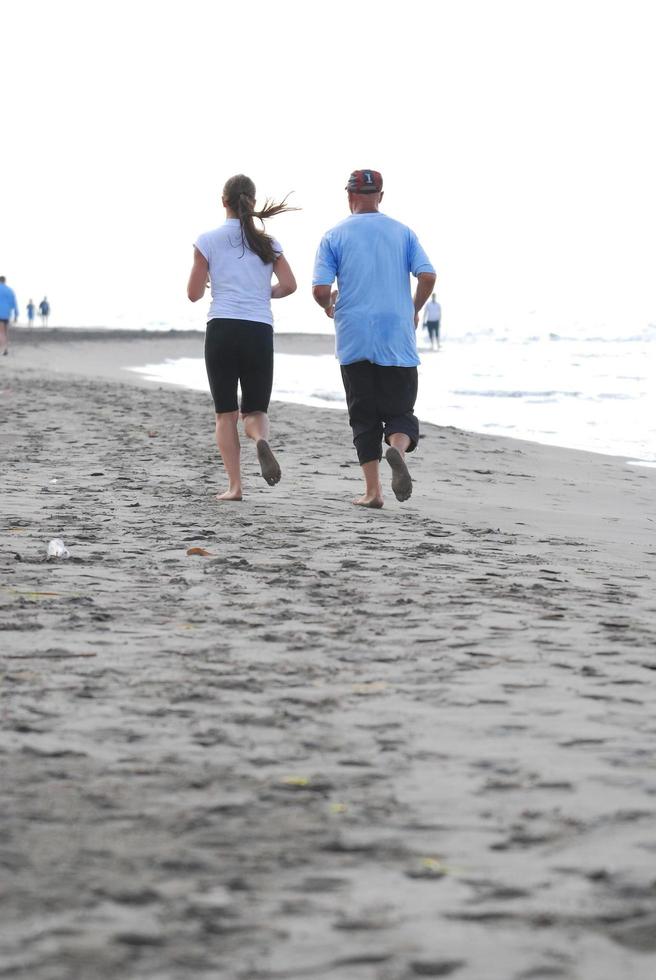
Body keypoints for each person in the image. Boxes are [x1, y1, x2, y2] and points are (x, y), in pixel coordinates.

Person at [312, 169, 436, 508]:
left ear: (349, 196)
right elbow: (427, 275)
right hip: (396, 333)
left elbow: (320, 290)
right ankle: (396, 449)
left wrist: (328, 304)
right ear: (380, 196)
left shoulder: (333, 235)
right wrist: (414, 308)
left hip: (354, 334)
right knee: (401, 410)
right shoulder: (403, 233)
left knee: (363, 416)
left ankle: (373, 492)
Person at [187, 174, 297, 501]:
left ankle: (235, 487)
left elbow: (193, 294)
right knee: (254, 412)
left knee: (225, 414)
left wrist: (211, 283)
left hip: (222, 328)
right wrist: (263, 293)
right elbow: (290, 285)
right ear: (252, 200)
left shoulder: (207, 241)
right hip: (258, 329)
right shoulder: (269, 243)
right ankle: (260, 440)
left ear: (223, 202)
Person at [0, 276, 19, 356]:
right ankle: (6, 348)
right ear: (5, 281)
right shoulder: (10, 290)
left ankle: (4, 349)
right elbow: (14, 304)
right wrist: (16, 315)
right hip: (7, 314)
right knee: (5, 333)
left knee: (1, 333)